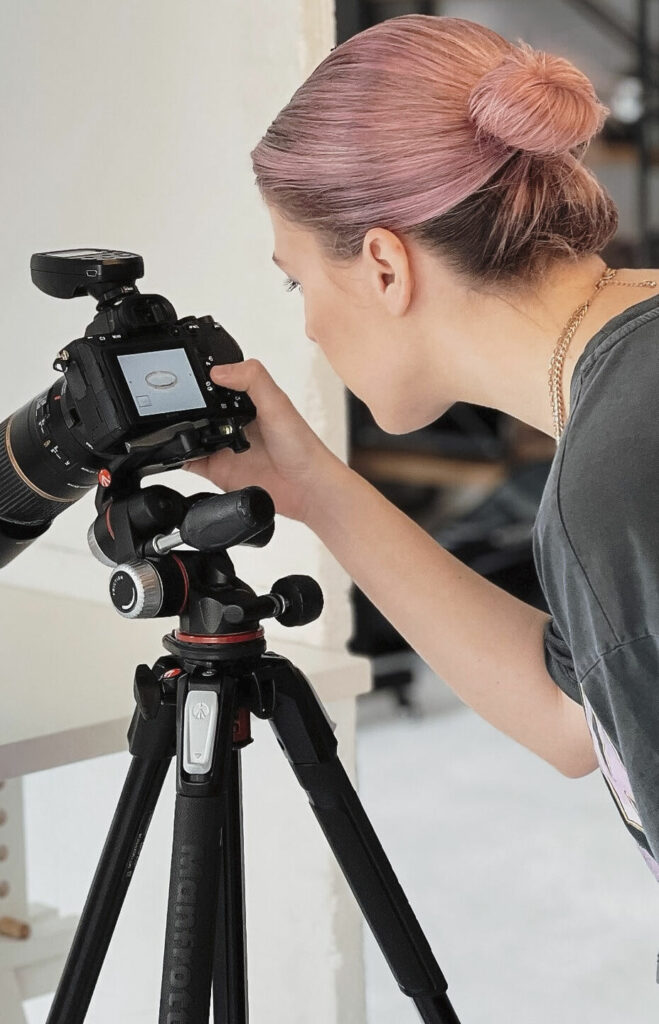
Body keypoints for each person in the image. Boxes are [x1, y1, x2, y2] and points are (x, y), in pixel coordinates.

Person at [184, 14, 659, 882]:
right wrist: (315, 489)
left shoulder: (611, 488)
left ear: (384, 267)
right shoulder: (627, 403)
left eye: (296, 280)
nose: (308, 326)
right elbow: (576, 715)